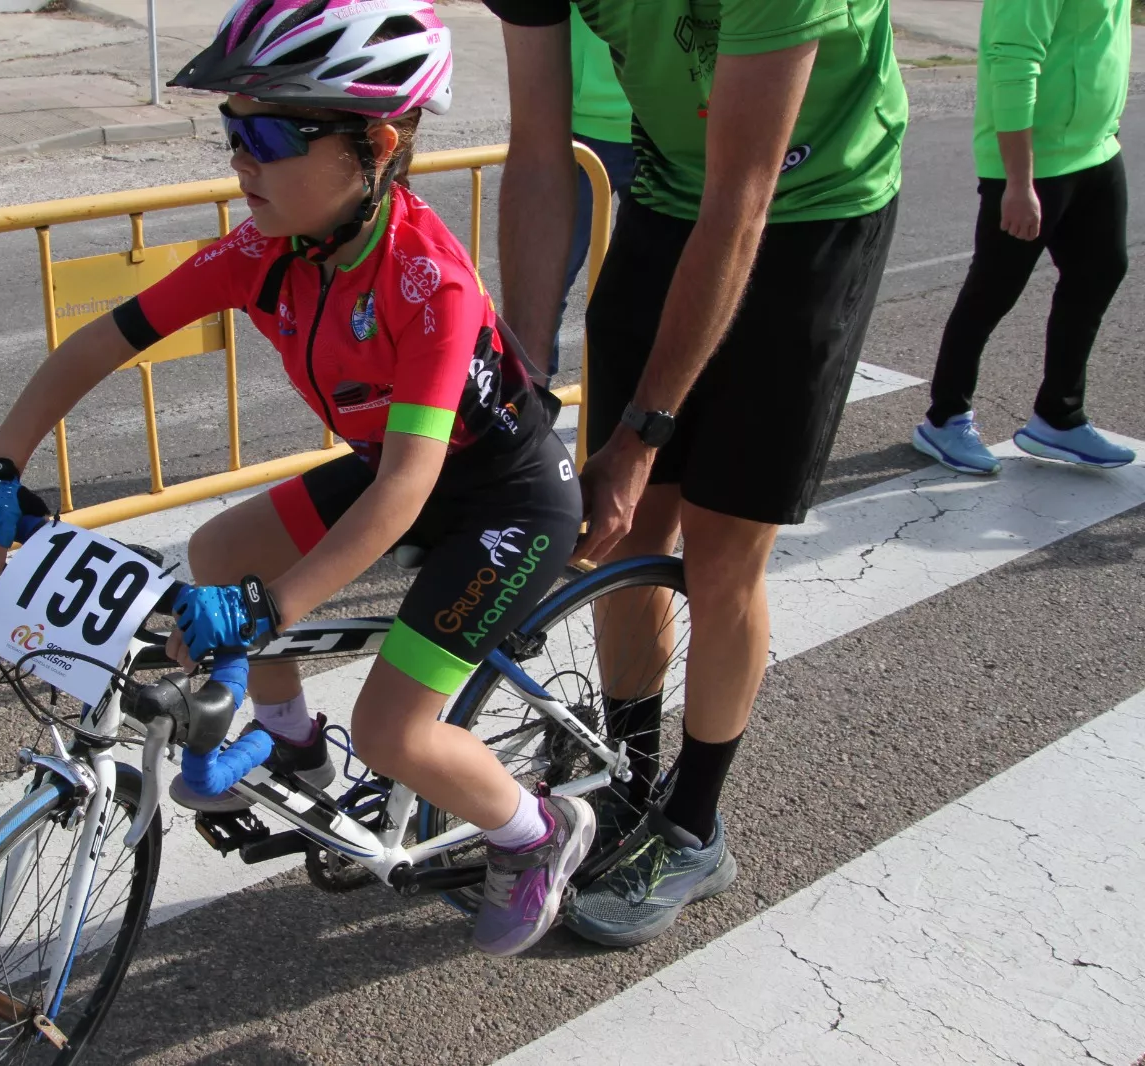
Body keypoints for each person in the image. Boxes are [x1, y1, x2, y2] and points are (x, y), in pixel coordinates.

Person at [0, 0, 591, 958]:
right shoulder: (264, 250)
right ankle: (291, 741)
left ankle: (534, 833)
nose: (241, 158)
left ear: (376, 141)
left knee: (393, 731)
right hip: (401, 473)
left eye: (270, 132)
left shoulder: (429, 285)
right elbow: (98, 345)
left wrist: (268, 607)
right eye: (232, 129)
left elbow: (403, 493)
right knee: (220, 550)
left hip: (505, 502)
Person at [483, 0, 906, 948]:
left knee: (720, 550)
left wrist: (641, 436)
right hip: (672, 194)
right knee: (621, 531)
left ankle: (694, 825)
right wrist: (525, 378)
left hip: (811, 206)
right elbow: (542, 156)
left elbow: (743, 201)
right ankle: (629, 783)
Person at [911, 0, 1134, 476]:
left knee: (1100, 272)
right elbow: (1012, 65)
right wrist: (1017, 182)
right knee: (993, 291)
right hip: (1032, 166)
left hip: (1094, 151)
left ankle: (1059, 415)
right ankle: (944, 417)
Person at [546, 8, 636, 381]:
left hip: (662, 125)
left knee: (654, 282)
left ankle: (637, 412)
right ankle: (531, 414)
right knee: (548, 284)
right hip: (576, 127)